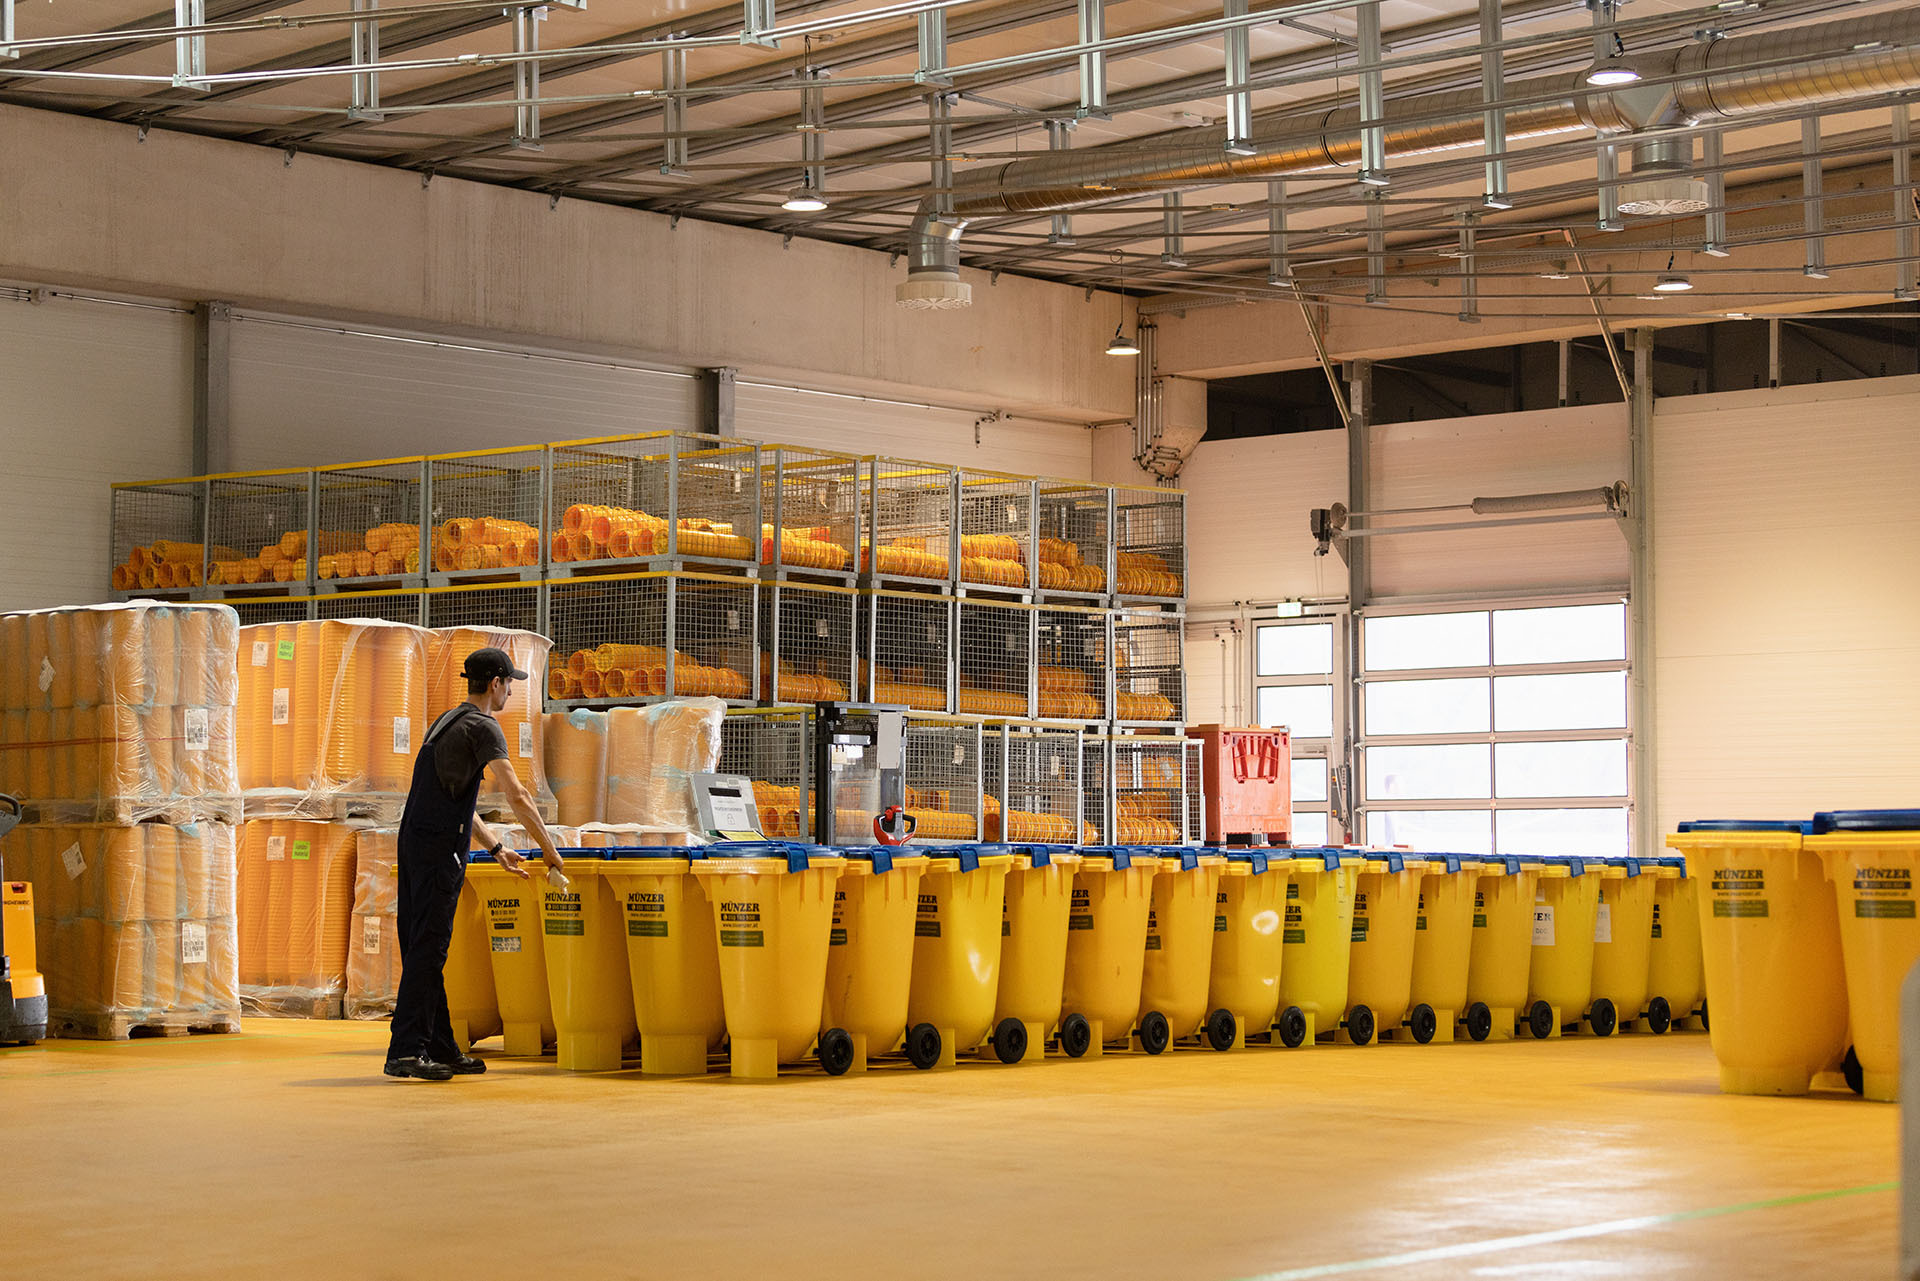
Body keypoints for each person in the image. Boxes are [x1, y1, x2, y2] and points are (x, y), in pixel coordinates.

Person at [384, 647, 564, 1081]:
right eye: (509, 684)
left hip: (414, 843)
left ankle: (441, 1046)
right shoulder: (485, 728)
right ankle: (406, 1051)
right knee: (428, 949)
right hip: (439, 848)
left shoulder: (447, 721)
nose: (509, 693)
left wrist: (497, 848)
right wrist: (549, 850)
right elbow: (517, 795)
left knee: (422, 947)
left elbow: (459, 802)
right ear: (496, 683)